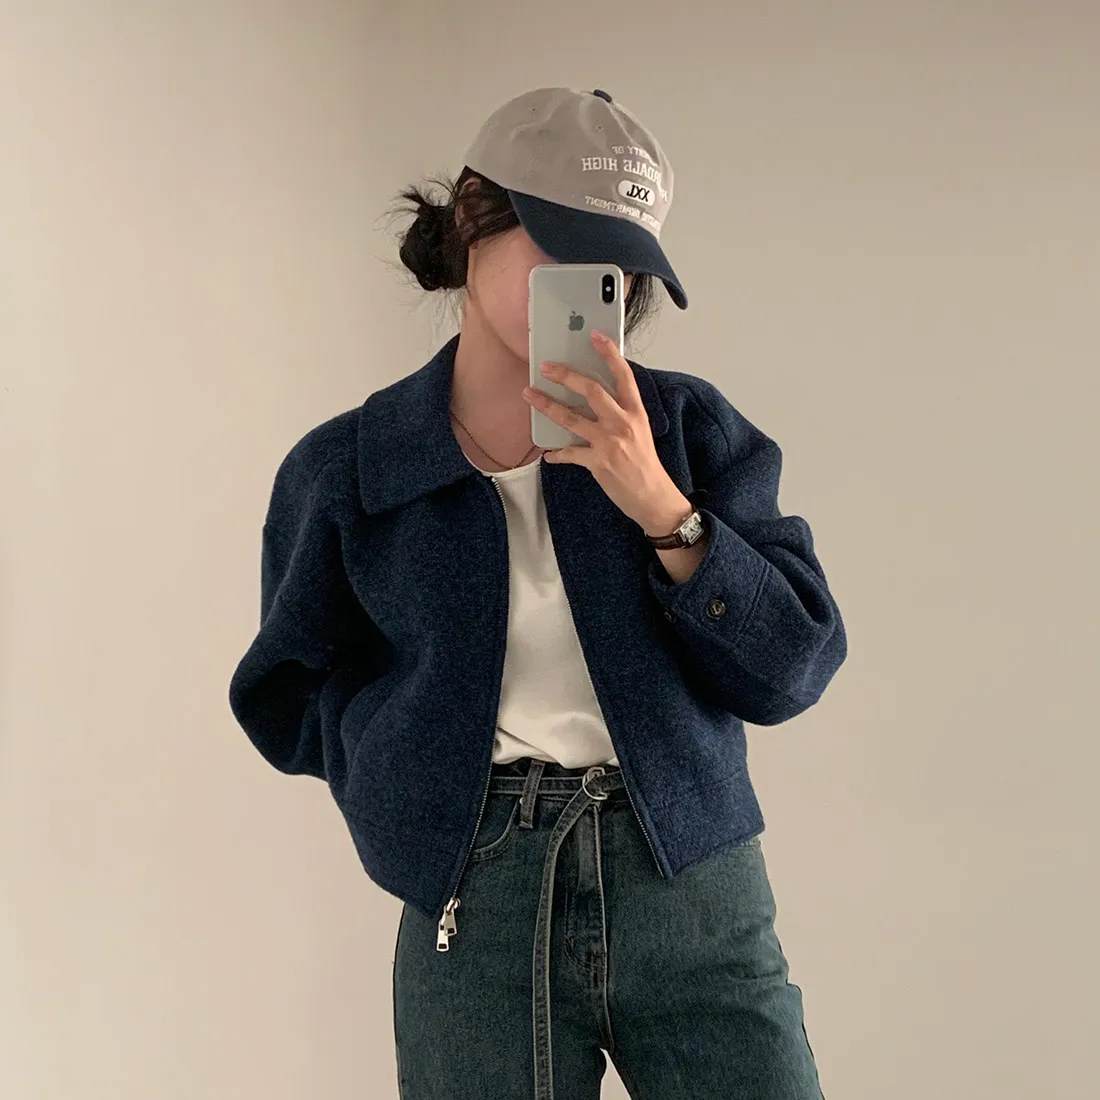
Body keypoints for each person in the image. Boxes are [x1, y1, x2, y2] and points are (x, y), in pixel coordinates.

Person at [229, 86, 846, 1100]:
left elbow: (793, 668)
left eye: (612, 265)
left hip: (688, 877)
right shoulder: (350, 467)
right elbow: (285, 686)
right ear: (473, 220)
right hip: (476, 895)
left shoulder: (685, 432)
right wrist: (415, 782)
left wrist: (660, 506)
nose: (586, 285)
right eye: (559, 243)